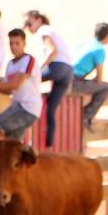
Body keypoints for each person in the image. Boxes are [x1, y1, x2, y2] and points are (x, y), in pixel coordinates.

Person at [24, 10, 75, 148]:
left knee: (26, 81)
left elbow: (53, 51)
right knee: (51, 108)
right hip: (68, 71)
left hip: (57, 67)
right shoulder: (52, 31)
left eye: (29, 23)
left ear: (39, 19)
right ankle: (49, 144)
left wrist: (38, 69)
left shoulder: (43, 30)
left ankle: (25, 127)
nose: (29, 28)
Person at [0, 28, 42, 140]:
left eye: (17, 43)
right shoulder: (10, 64)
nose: (13, 47)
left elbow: (15, 85)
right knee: (13, 143)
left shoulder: (28, 60)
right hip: (17, 106)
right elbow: (9, 89)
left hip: (27, 108)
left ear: (24, 44)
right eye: (11, 43)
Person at [70, 22, 108, 132]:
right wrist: (95, 81)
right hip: (73, 82)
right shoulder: (99, 49)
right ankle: (86, 115)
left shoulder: (85, 43)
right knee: (105, 87)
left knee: (94, 84)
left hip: (66, 77)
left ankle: (85, 115)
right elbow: (99, 79)